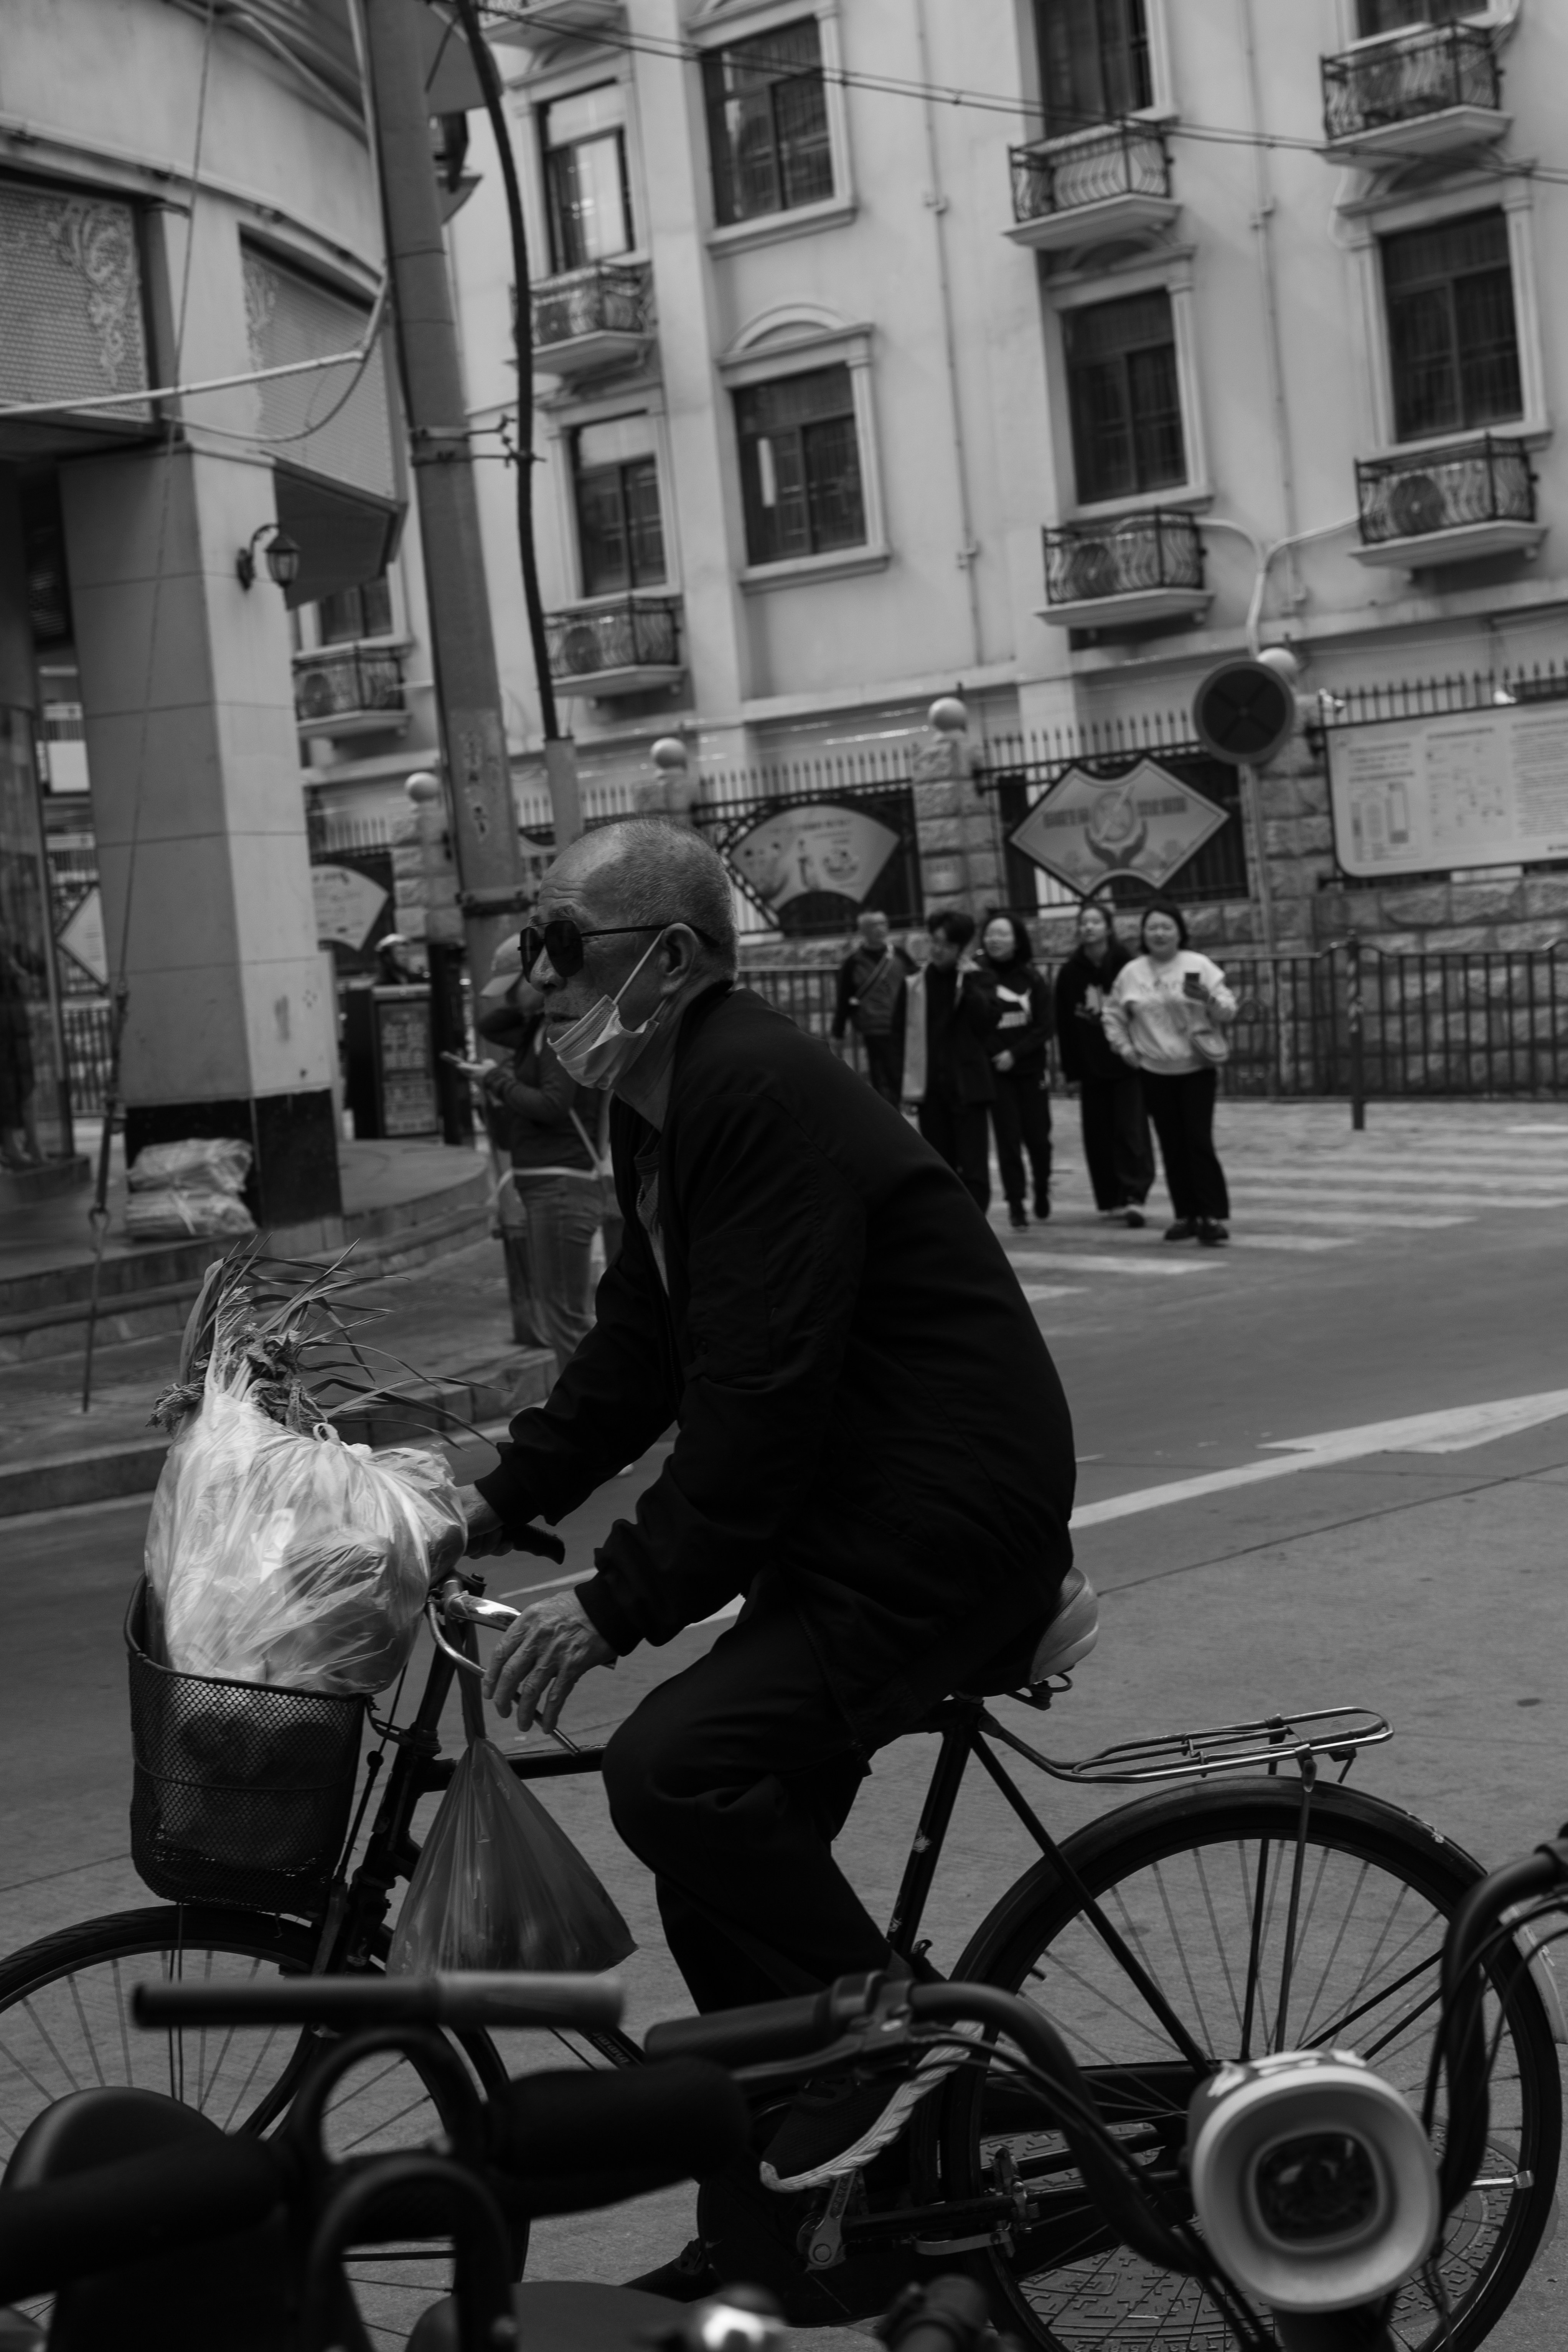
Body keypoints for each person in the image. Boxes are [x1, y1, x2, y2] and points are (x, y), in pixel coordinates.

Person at [456, 819, 1074, 2231]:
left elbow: (756, 1404)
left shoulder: (749, 1093)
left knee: (674, 1771)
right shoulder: (663, 1109)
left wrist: (616, 1603)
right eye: (531, 952)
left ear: (668, 961)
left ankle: (889, 2027)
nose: (534, 982)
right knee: (715, 1880)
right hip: (855, 1514)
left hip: (936, 1521)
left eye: (562, 947)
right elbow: (637, 1358)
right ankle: (778, 2239)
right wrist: (487, 1503)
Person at [453, 941, 615, 1376]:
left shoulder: (559, 1032)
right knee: (562, 1314)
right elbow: (491, 1024)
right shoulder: (537, 1027)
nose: (508, 997)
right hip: (549, 1187)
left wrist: (497, 1080)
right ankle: (585, 1414)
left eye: (514, 987)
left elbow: (553, 1105)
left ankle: (590, 1419)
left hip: (562, 1187)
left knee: (566, 1317)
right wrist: (533, 1002)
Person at [1102, 901, 1237, 1247]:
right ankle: (1185, 1216)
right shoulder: (1132, 973)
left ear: (1179, 931)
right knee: (1171, 1144)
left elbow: (1226, 1008)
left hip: (1195, 1068)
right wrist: (1125, 1049)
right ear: (1143, 934)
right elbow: (1113, 1015)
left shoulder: (1197, 965)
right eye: (1152, 928)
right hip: (1153, 1071)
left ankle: (1211, 1216)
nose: (1159, 933)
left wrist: (1213, 1001)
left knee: (1198, 1141)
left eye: (1166, 927)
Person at [1053, 900, 1154, 1230]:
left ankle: (1134, 1194)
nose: (1088, 928)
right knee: (1097, 1134)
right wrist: (1070, 1069)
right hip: (1090, 1064)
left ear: (1108, 927)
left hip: (1126, 1061)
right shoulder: (1070, 972)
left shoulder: (1126, 965)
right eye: (1084, 923)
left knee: (1130, 1130)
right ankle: (1109, 1198)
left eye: (1095, 922)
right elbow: (1065, 1025)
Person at [901, 910, 998, 1212]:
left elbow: (987, 1023)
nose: (936, 949)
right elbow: (898, 1037)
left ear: (960, 948)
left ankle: (978, 1226)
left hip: (969, 1088)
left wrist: (969, 985)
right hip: (931, 1091)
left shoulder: (979, 979)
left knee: (974, 1168)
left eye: (944, 944)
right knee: (940, 1167)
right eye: (933, 941)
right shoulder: (916, 985)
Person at [971, 914, 1054, 1232]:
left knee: (1038, 1138)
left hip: (1030, 1070)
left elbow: (1045, 1025)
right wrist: (996, 1055)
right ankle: (1016, 1204)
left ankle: (1042, 1188)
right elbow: (975, 1024)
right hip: (996, 1073)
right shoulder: (978, 979)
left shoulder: (1031, 979)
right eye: (990, 934)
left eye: (1002, 934)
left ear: (1016, 940)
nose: (995, 940)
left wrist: (1015, 1053)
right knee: (1007, 1140)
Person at [829, 908, 913, 1106]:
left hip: (903, 1025)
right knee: (882, 1072)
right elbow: (843, 999)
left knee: (902, 1069)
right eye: (873, 925)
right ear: (862, 931)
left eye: (883, 923)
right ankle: (891, 1112)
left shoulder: (900, 956)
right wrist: (837, 1033)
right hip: (874, 1027)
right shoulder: (853, 963)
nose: (880, 929)